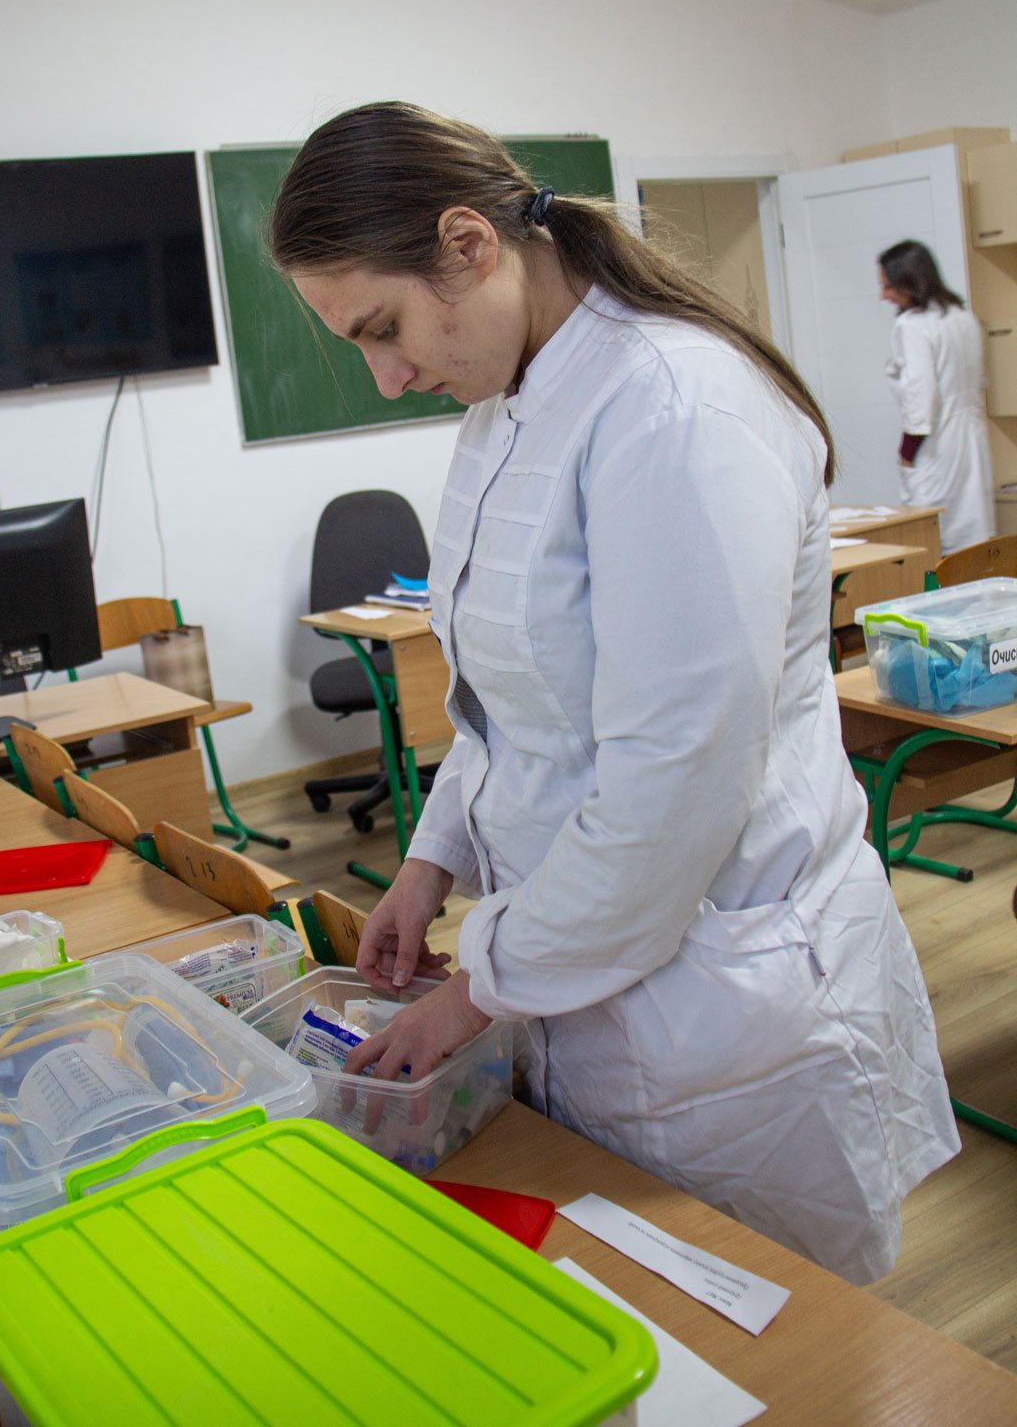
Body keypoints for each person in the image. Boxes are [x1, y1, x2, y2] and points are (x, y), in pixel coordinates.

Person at [270, 102, 958, 1284]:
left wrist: (474, 991)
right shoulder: (504, 406)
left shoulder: (677, 409)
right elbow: (506, 703)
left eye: (384, 329)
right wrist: (432, 862)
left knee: (778, 1342)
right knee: (641, 1329)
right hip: (590, 976)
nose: (387, 377)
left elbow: (673, 784)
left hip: (726, 1014)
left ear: (469, 245)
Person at [879, 239, 994, 555]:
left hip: (935, 445)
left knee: (932, 539)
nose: (883, 296)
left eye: (888, 286)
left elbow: (921, 393)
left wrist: (907, 451)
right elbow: (979, 380)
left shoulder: (913, 326)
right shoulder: (962, 317)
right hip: (970, 439)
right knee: (972, 541)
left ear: (908, 281)